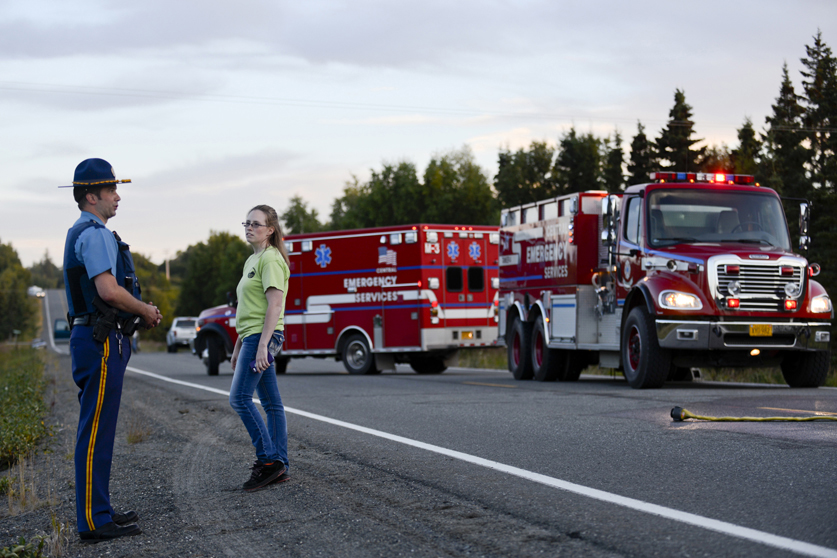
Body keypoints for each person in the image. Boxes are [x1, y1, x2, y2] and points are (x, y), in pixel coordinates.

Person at [60, 158, 162, 542]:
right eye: (111, 190)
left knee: (99, 432)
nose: (117, 197)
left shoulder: (82, 232)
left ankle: (99, 509)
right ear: (92, 196)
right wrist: (145, 309)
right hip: (99, 342)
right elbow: (107, 290)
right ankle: (91, 520)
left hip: (94, 340)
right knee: (95, 434)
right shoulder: (95, 233)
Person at [229, 204, 291, 491]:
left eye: (256, 224)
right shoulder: (251, 261)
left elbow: (274, 304)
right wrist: (238, 345)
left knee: (239, 398)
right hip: (252, 337)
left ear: (270, 230)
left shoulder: (271, 260)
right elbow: (248, 308)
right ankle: (279, 464)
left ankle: (269, 462)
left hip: (263, 337)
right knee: (270, 403)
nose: (249, 228)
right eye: (247, 223)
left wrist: (263, 345)